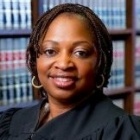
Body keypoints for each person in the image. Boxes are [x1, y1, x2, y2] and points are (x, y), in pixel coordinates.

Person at [0, 3, 140, 140]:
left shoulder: (121, 131)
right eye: (50, 51)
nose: (64, 64)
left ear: (100, 62)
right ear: (35, 60)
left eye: (80, 53)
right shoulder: (11, 123)